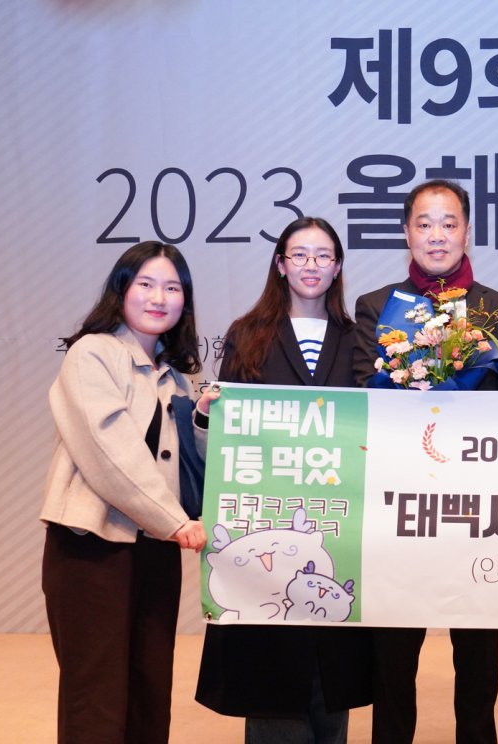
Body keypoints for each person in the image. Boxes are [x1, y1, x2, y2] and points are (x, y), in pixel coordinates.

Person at [194, 217, 372, 743]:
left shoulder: (357, 338)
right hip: (265, 531)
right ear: (280, 264)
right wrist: (208, 415)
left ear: (337, 267)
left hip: (337, 530)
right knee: (271, 681)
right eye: (299, 255)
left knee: (330, 678)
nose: (311, 265)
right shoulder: (247, 334)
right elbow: (228, 440)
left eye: (323, 256)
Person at [353, 179, 498, 744]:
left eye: (449, 223)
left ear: (467, 231)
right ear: (406, 232)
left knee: (479, 659)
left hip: (478, 506)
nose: (437, 235)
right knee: (393, 659)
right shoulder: (375, 307)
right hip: (402, 504)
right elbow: (363, 389)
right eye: (424, 224)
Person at [40, 241, 211, 744]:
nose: (159, 298)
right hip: (91, 548)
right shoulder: (92, 354)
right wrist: (173, 522)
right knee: (96, 696)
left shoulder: (177, 376)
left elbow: (190, 468)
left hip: (155, 548)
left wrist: (203, 419)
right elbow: (110, 451)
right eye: (146, 284)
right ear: (121, 290)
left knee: (149, 692)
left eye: (172, 288)